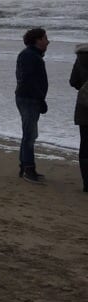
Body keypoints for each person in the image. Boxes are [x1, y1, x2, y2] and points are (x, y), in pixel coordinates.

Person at [15, 27, 50, 183]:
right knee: (30, 135)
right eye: (45, 38)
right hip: (28, 99)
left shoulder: (32, 55)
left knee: (29, 134)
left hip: (29, 98)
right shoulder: (29, 56)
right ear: (37, 40)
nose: (48, 41)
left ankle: (26, 167)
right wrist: (40, 98)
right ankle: (28, 169)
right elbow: (27, 80)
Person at [70, 44, 88, 193]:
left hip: (84, 107)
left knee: (85, 145)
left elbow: (73, 82)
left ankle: (86, 183)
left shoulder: (80, 58)